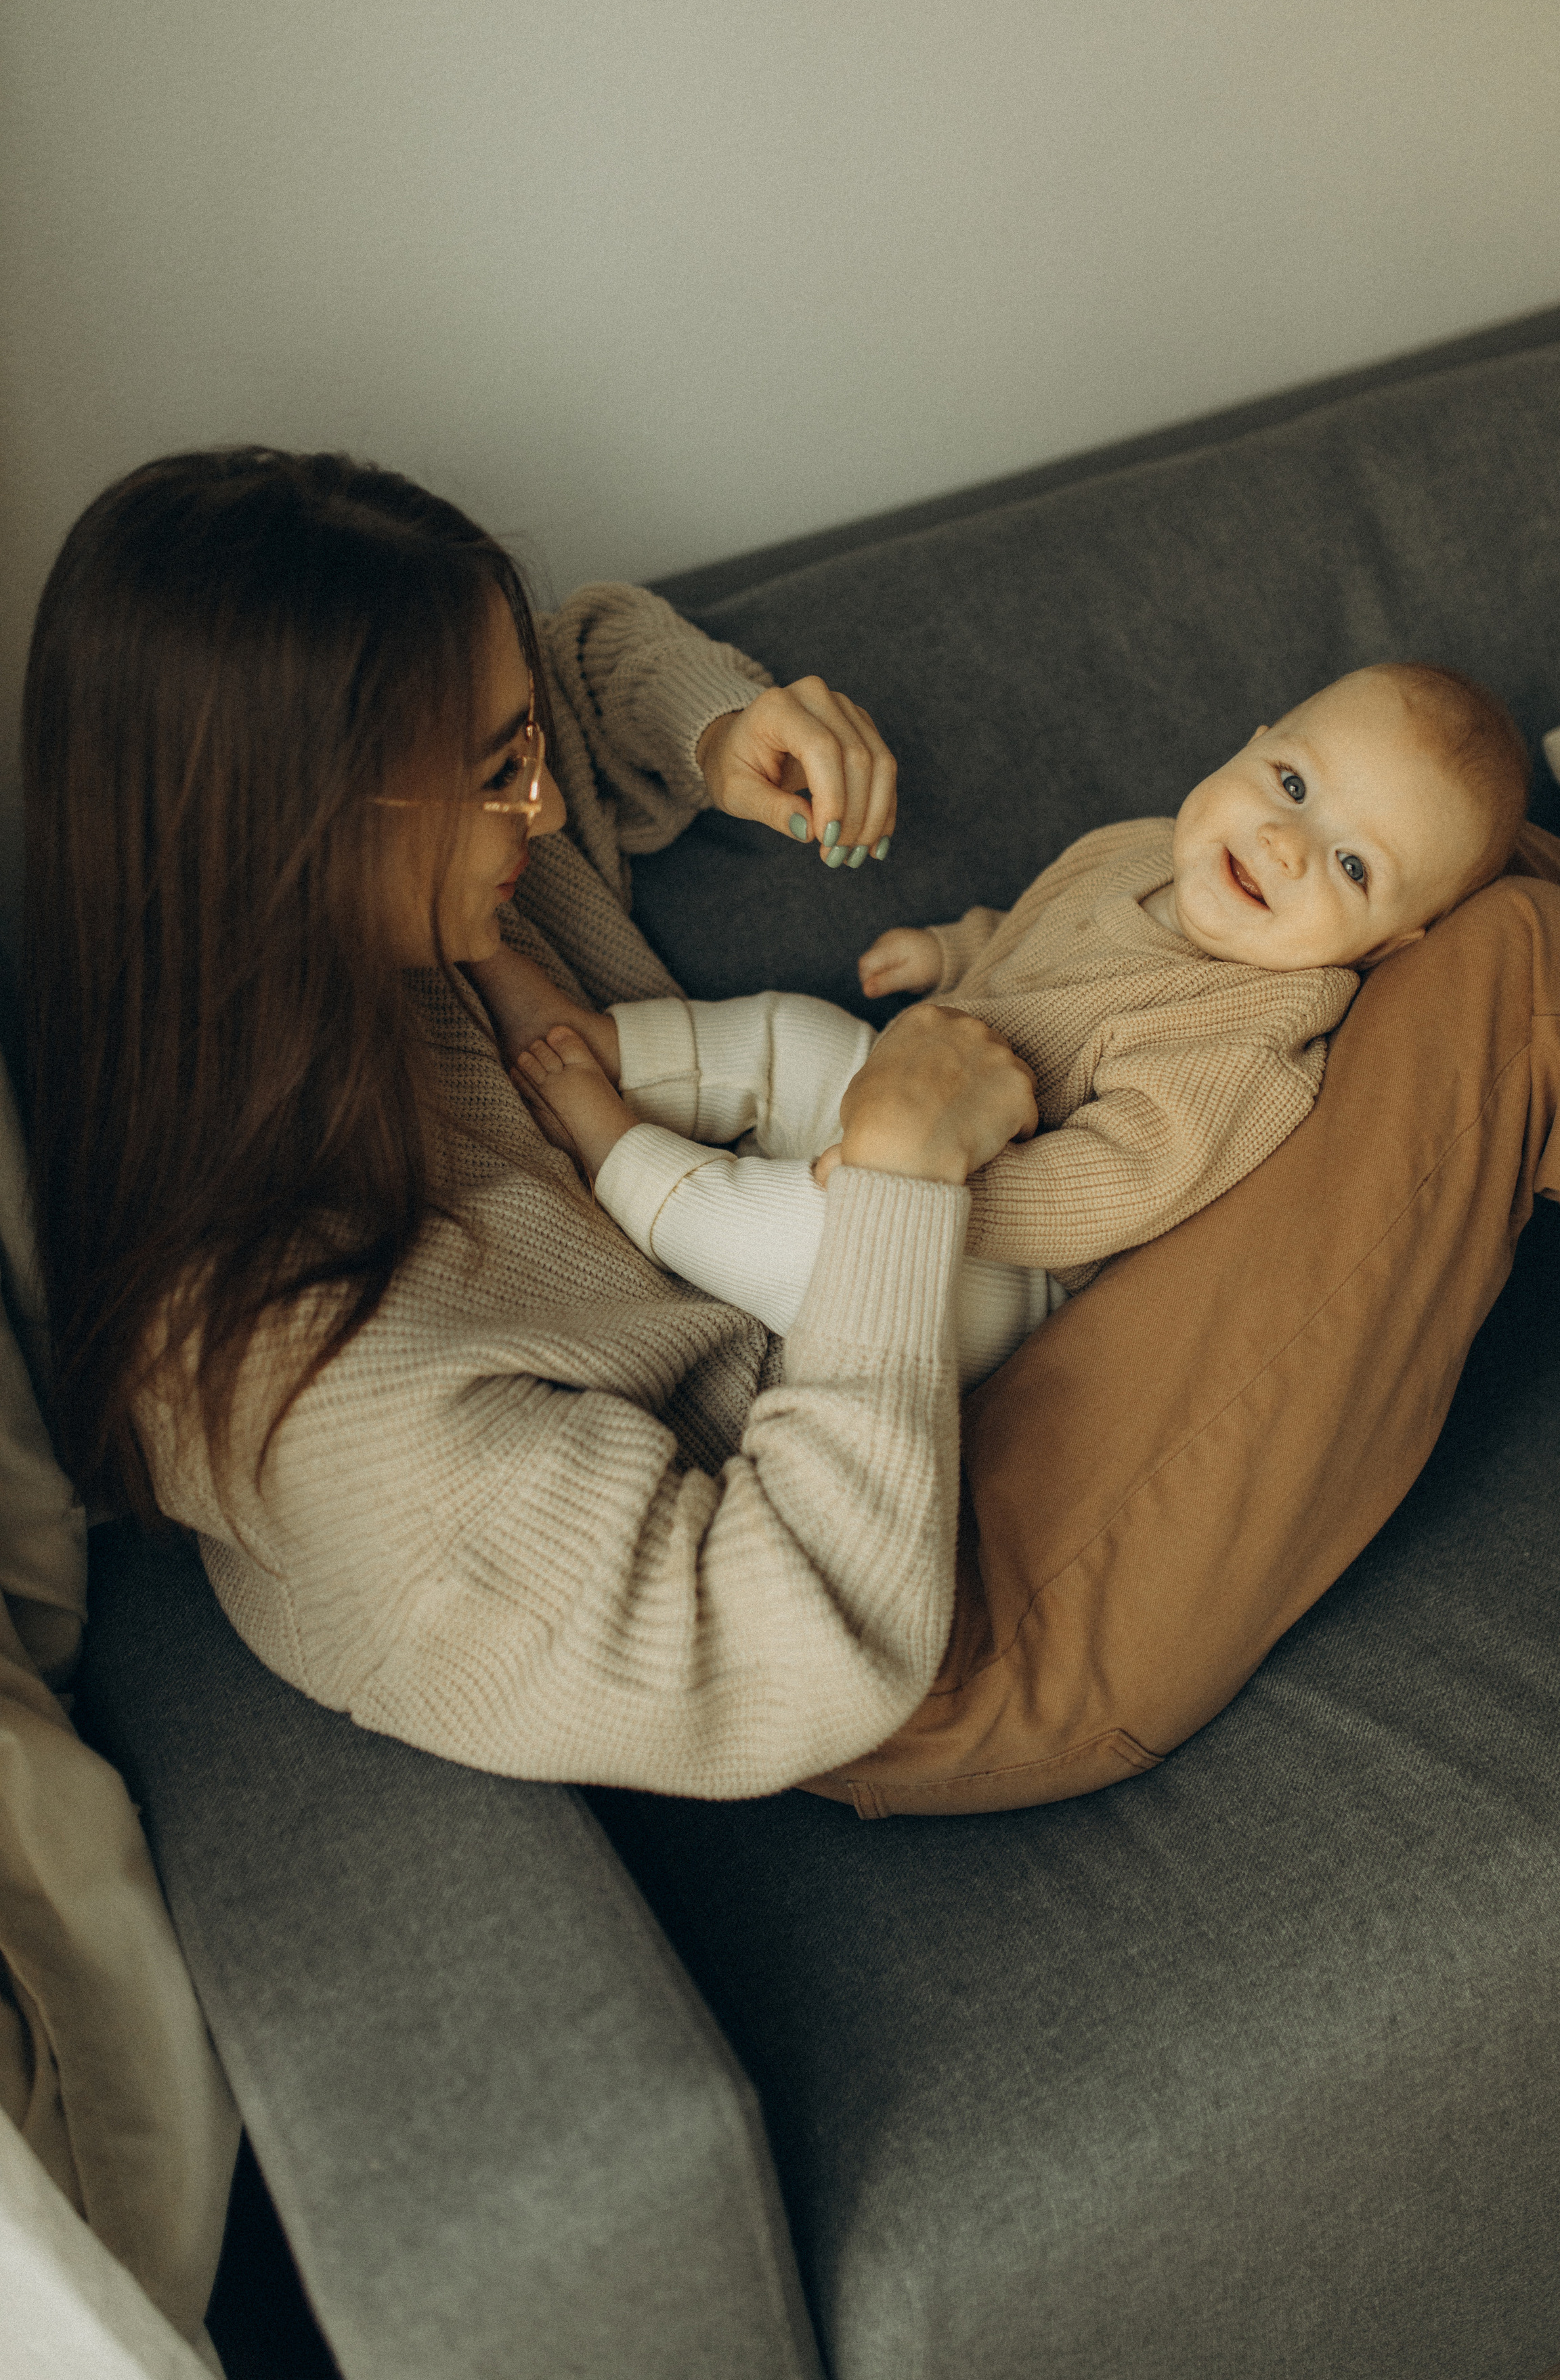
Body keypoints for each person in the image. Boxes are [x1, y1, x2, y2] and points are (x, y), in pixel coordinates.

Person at [24, 447, 1035, 1799]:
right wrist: (899, 1180)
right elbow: (793, 1647)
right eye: (501, 771)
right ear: (294, 827)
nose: (544, 807)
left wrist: (715, 730)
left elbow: (578, 654)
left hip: (909, 1359)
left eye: (529, 753)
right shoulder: (324, 1396)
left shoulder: (388, 921)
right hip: (899, 1589)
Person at [474, 663, 1531, 1387]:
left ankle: (620, 1153)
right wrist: (952, 952)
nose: (1286, 843)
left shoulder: (1261, 1037)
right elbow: (1036, 937)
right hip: (919, 1084)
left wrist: (915, 1182)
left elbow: (1112, 1184)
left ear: (1391, 944)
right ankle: (615, 1046)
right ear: (1252, 744)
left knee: (808, 1242)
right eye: (1291, 783)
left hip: (1005, 1275)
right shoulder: (1142, 847)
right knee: (800, 1032)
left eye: (1353, 866)